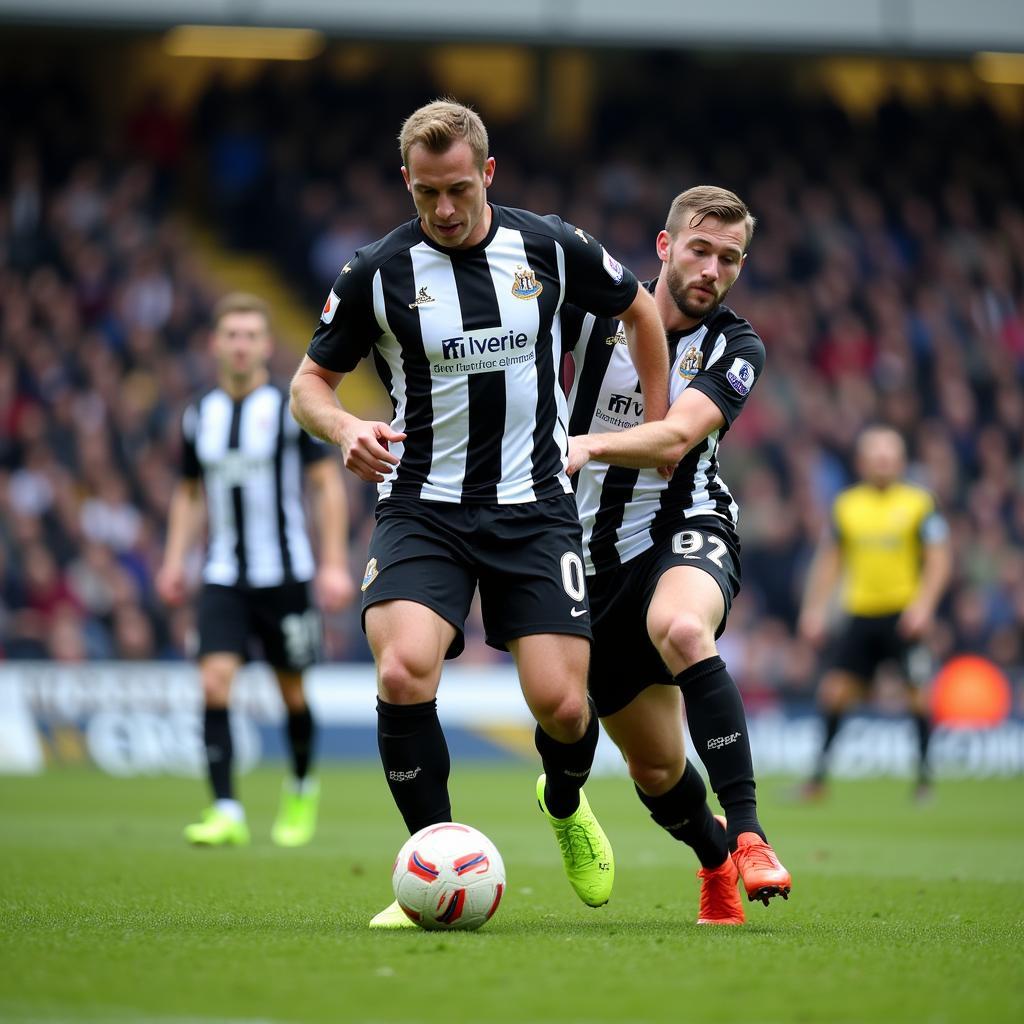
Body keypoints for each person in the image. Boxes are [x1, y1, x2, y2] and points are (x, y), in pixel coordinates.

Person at [289, 99, 670, 928]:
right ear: (408, 184)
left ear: (488, 173)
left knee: (566, 708)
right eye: (427, 194)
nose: (446, 210)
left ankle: (564, 803)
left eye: (459, 188)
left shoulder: (550, 247)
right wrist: (347, 425)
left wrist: (654, 423)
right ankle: (432, 861)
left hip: (534, 507)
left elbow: (641, 307)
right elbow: (308, 385)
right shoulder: (375, 273)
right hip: (422, 506)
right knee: (400, 670)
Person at [564, 185, 791, 925]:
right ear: (665, 248)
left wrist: (589, 443)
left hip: (685, 524)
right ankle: (715, 857)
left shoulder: (736, 346)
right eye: (700, 249)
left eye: (730, 258)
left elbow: (673, 439)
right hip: (589, 561)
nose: (713, 269)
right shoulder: (594, 311)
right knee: (657, 767)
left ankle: (752, 833)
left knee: (685, 629)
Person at [156, 292, 354, 848]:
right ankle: (225, 809)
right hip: (224, 576)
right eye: (231, 335)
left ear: (266, 346)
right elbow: (190, 492)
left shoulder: (289, 411)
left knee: (292, 692)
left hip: (286, 574)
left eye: (250, 335)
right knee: (213, 681)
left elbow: (323, 486)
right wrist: (176, 560)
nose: (240, 345)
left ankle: (300, 786)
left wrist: (333, 564)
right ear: (215, 344)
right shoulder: (200, 415)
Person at [797, 425, 952, 801]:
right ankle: (817, 781)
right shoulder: (847, 506)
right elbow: (829, 562)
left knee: (918, 695)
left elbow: (939, 559)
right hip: (860, 613)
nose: (883, 461)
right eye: (876, 455)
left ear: (900, 461)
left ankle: (925, 782)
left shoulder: (919, 503)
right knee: (834, 693)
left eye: (889, 454)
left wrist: (924, 606)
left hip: (903, 615)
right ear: (862, 462)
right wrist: (814, 609)